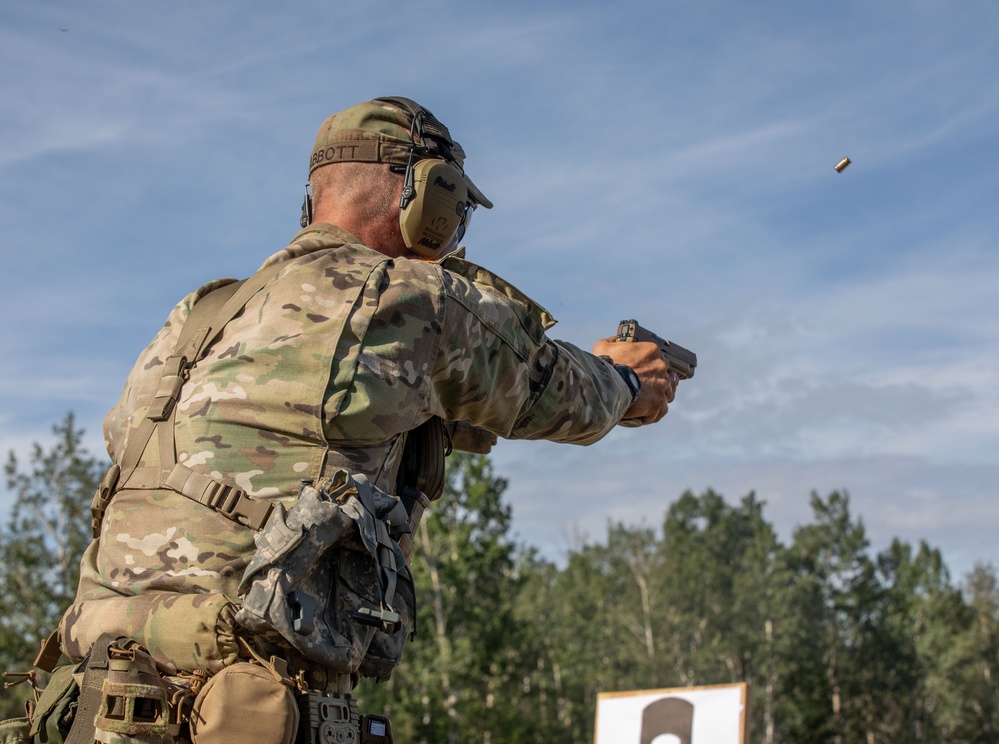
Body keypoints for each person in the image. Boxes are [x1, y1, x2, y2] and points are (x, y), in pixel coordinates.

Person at [53, 96, 678, 741]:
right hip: (243, 708)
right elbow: (564, 394)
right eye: (457, 206)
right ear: (426, 194)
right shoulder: (409, 298)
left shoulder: (196, 317)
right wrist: (630, 379)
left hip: (89, 704)